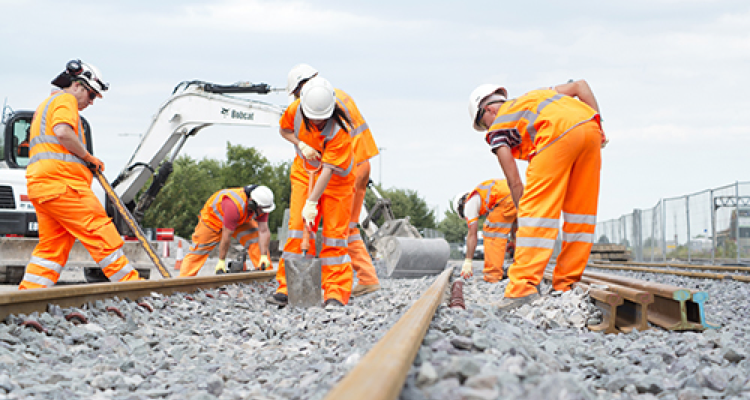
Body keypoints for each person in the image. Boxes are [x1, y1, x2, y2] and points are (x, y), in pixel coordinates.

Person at [468, 79, 606, 310]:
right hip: (589, 126)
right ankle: (566, 284)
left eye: (484, 124)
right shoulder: (536, 97)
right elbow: (580, 86)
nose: (487, 129)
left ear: (489, 110)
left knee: (536, 213)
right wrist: (600, 127)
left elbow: (514, 181)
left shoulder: (498, 128)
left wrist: (523, 216)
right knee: (580, 212)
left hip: (555, 133)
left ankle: (522, 288)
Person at [19, 59, 142, 289]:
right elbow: (63, 132)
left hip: (43, 187)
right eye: (92, 95)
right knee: (99, 228)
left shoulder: (45, 106)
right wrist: (88, 158)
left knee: (51, 248)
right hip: (63, 185)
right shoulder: (65, 100)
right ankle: (132, 286)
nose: (91, 101)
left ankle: (28, 296)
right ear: (77, 85)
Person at [286, 64, 381, 297]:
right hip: (359, 164)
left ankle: (349, 282)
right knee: (347, 227)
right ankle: (367, 277)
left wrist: (310, 200)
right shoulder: (337, 95)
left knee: (338, 230)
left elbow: (329, 151)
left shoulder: (325, 105)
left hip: (345, 169)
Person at [268, 76, 356, 307]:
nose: (317, 124)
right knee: (297, 229)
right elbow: (283, 130)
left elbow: (327, 171)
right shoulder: (296, 109)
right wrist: (301, 143)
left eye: (321, 120)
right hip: (304, 172)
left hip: (338, 182)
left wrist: (312, 202)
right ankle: (288, 287)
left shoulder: (341, 130)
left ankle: (335, 292)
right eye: (313, 119)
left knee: (334, 238)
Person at [178, 185, 275, 276]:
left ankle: (266, 275)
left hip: (239, 219)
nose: (263, 213)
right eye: (261, 210)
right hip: (212, 221)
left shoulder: (263, 205)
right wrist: (221, 261)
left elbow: (264, 231)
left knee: (255, 239)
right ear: (252, 203)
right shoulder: (234, 205)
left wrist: (264, 256)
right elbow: (226, 235)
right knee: (198, 252)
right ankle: (183, 281)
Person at [452, 178, 517, 283]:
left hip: (506, 197)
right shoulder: (484, 197)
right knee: (520, 233)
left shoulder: (469, 202)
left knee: (492, 233)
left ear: (462, 206)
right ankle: (522, 270)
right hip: (520, 192)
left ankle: (493, 275)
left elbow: (472, 234)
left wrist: (468, 260)